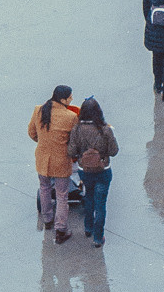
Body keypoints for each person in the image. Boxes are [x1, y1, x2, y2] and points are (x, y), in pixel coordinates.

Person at [29, 85, 79, 243]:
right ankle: (61, 229)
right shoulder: (70, 117)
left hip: (42, 160)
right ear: (63, 99)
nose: (72, 99)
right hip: (61, 162)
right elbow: (74, 142)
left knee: (44, 188)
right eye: (70, 97)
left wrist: (44, 142)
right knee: (62, 195)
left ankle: (47, 219)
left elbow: (32, 133)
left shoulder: (39, 110)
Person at [68, 97, 119, 247]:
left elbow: (71, 150)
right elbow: (114, 151)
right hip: (103, 171)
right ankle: (98, 237)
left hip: (85, 170)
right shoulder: (105, 130)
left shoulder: (76, 129)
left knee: (88, 197)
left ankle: (88, 228)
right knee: (101, 204)